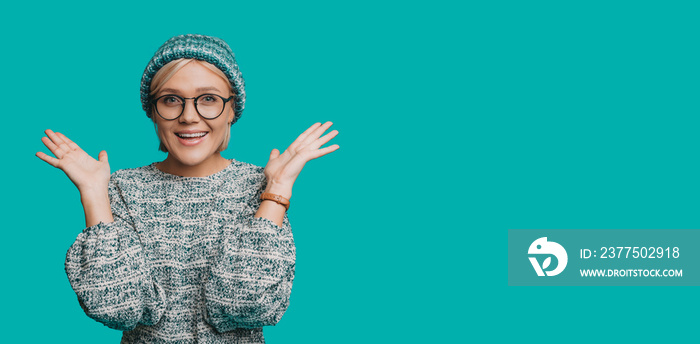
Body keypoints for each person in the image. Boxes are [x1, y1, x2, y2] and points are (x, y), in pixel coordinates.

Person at [36, 34, 339, 343]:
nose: (189, 116)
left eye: (208, 98)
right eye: (171, 99)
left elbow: (247, 305)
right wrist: (93, 194)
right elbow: (118, 309)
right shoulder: (122, 189)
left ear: (232, 109)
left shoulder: (260, 189)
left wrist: (277, 191)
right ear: (152, 111)